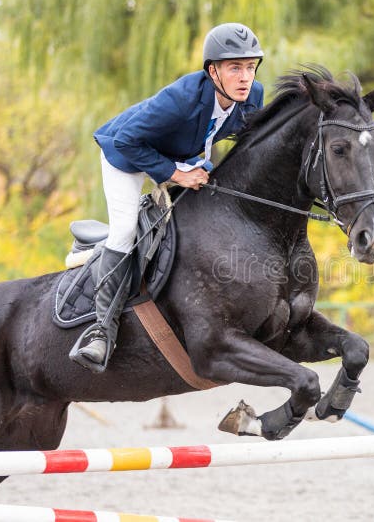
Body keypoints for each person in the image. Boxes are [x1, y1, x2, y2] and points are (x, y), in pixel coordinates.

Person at [70, 23, 265, 373]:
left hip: (181, 154)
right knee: (126, 230)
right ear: (213, 71)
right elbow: (129, 141)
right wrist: (177, 175)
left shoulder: (253, 96)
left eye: (250, 67)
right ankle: (101, 330)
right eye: (235, 68)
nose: (244, 77)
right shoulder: (181, 99)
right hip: (127, 154)